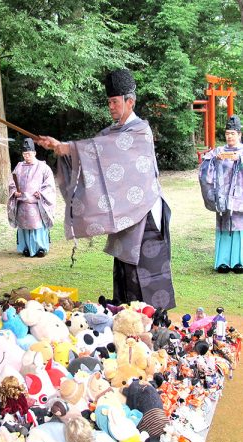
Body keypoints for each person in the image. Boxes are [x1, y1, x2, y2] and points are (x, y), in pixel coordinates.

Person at [37, 68, 175, 309]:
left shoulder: (140, 130)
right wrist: (59, 146)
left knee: (146, 272)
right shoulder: (112, 132)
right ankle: (125, 319)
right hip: (124, 213)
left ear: (129, 102)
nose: (110, 106)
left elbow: (104, 149)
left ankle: (153, 325)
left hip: (145, 213)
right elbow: (92, 149)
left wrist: (68, 148)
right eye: (109, 102)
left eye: (114, 101)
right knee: (125, 271)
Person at [199, 115, 243, 274]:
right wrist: (213, 160)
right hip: (223, 196)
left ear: (239, 134)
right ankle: (223, 262)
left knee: (239, 227)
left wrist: (241, 159)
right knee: (224, 226)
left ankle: (239, 261)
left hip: (239, 196)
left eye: (233, 133)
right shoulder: (218, 151)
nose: (230, 136)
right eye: (227, 133)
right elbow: (204, 165)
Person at [7, 138, 56, 257]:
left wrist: (42, 193)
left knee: (37, 225)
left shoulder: (43, 167)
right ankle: (25, 248)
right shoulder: (19, 166)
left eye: (28, 154)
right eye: (24, 154)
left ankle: (40, 248)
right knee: (23, 227)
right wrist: (14, 192)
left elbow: (49, 184)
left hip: (36, 203)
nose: (26, 156)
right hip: (22, 203)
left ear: (34, 153)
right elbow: (12, 183)